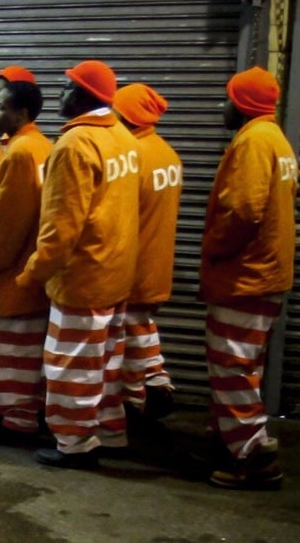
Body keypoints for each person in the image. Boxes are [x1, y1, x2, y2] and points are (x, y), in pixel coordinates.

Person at [16, 60, 139, 469]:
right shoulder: (123, 137)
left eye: (66, 88)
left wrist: (33, 272)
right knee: (105, 364)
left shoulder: (74, 145)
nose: (60, 95)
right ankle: (110, 434)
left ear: (84, 95)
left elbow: (61, 227)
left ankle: (75, 445)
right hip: (117, 273)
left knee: (70, 366)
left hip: (83, 276)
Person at [201, 66, 296, 490]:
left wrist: (216, 250)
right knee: (244, 366)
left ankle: (252, 456)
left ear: (241, 104)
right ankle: (236, 441)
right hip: (264, 273)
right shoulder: (275, 139)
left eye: (227, 98)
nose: (222, 105)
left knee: (232, 367)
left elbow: (243, 210)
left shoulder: (255, 141)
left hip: (245, 275)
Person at [0, 77, 53, 447]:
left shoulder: (20, 152)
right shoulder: (37, 146)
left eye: (0, 107)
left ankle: (18, 423)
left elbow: (8, 219)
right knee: (25, 353)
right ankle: (27, 415)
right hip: (28, 273)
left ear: (21, 113)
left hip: (11, 275)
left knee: (12, 352)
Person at [112, 83, 182, 423]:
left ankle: (137, 400)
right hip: (157, 262)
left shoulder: (131, 156)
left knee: (125, 334)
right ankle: (156, 383)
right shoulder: (166, 153)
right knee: (141, 326)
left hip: (133, 262)